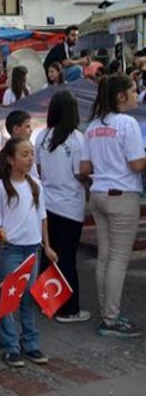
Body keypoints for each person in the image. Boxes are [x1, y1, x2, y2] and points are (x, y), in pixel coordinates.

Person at [82, 75, 145, 338]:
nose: (136, 95)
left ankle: (107, 311)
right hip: (122, 195)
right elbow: (137, 165)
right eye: (133, 91)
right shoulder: (127, 124)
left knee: (106, 257)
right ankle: (111, 318)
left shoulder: (92, 126)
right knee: (118, 259)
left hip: (98, 193)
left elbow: (85, 168)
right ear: (120, 96)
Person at [0, 138, 56, 367]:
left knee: (29, 296)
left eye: (31, 154)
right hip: (10, 250)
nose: (30, 159)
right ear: (10, 159)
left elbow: (42, 218)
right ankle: (11, 346)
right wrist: (0, 232)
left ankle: (31, 343)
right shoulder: (0, 187)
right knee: (9, 297)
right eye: (24, 154)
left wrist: (46, 246)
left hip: (32, 248)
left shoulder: (35, 184)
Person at [34, 91, 91, 324]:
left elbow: (38, 168)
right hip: (70, 206)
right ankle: (69, 309)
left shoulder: (41, 136)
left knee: (49, 255)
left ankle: (46, 301)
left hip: (47, 204)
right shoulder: (78, 139)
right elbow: (80, 173)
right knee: (67, 257)